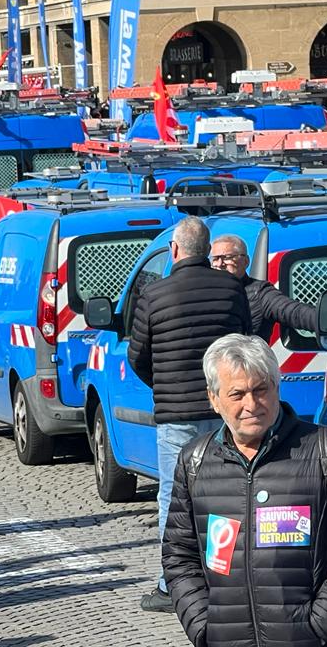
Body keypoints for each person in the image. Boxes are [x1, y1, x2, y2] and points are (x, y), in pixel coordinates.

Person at [163, 334, 327, 647]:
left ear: (277, 387)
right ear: (214, 399)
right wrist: (204, 625)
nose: (251, 405)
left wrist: (318, 627)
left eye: (260, 390)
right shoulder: (195, 462)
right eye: (237, 394)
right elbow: (179, 556)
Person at [129, 216, 252, 613]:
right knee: (226, 494)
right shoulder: (233, 290)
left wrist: (163, 385)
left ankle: (172, 586)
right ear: (206, 250)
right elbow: (246, 345)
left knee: (174, 497)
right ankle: (226, 577)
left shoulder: (154, 294)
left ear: (175, 251)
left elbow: (138, 356)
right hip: (224, 413)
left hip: (175, 413)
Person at [209, 234, 318, 341]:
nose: (219, 264)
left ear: (246, 261)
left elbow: (296, 313)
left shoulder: (260, 293)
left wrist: (324, 319)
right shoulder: (203, 292)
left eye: (227, 258)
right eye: (215, 259)